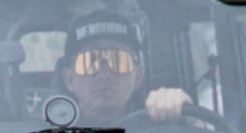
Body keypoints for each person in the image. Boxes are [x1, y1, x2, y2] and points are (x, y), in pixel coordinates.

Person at [59, 10, 193, 125]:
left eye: (119, 61)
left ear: (138, 76)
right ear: (69, 80)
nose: (104, 75)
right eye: (89, 63)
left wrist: (186, 114)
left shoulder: (163, 126)